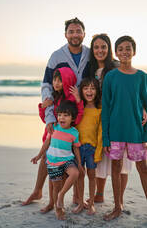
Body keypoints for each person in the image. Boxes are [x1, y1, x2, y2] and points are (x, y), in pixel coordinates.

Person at [22, 17, 89, 208]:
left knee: (78, 153)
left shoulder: (90, 54)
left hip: (80, 112)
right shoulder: (56, 56)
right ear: (65, 34)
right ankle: (37, 190)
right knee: (49, 151)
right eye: (71, 31)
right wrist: (50, 116)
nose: (75, 34)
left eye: (78, 31)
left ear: (84, 33)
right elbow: (46, 85)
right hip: (60, 113)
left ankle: (78, 197)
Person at [102, 35, 147, 221]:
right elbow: (106, 107)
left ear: (134, 52)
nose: (124, 52)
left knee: (143, 168)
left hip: (136, 131)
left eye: (128, 48)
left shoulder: (142, 77)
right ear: (116, 52)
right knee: (116, 167)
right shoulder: (111, 76)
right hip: (116, 131)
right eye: (120, 49)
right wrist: (105, 137)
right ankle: (118, 205)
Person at [88, 34, 132, 205]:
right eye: (96, 47)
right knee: (101, 158)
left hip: (117, 118)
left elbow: (130, 90)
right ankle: (99, 193)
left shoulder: (116, 67)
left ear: (109, 49)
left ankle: (119, 199)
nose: (100, 50)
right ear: (93, 50)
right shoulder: (90, 69)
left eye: (103, 47)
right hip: (98, 117)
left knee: (121, 161)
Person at [30, 100, 84, 220]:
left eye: (66, 115)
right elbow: (47, 143)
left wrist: (79, 163)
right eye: (59, 115)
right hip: (53, 162)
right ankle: (58, 209)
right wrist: (38, 156)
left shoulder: (74, 132)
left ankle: (62, 194)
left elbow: (76, 148)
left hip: (67, 160)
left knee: (75, 173)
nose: (61, 118)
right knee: (56, 186)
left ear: (73, 118)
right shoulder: (54, 127)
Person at [72, 78, 102, 215]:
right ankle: (80, 202)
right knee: (79, 176)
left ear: (97, 91)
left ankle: (91, 204)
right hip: (78, 149)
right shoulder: (79, 109)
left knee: (91, 175)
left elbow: (100, 134)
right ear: (81, 91)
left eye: (92, 88)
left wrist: (98, 153)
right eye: (86, 88)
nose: (89, 91)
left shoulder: (99, 111)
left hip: (91, 149)